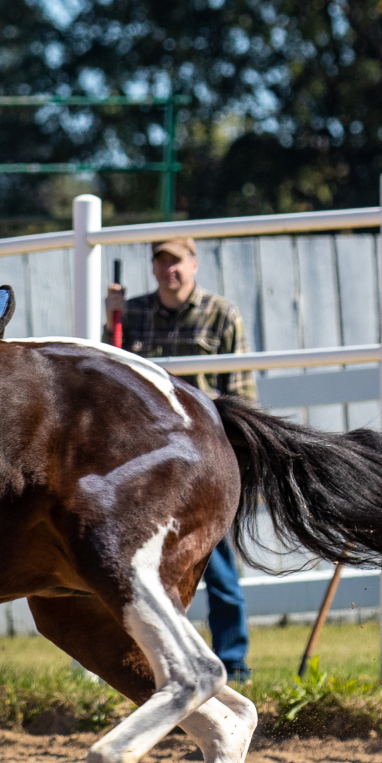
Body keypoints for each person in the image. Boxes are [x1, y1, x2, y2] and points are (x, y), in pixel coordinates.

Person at [105, 237, 256, 683]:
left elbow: (241, 392)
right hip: (145, 462)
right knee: (145, 571)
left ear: (194, 264)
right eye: (161, 261)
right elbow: (107, 375)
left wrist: (233, 460)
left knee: (219, 568)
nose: (168, 270)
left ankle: (233, 662)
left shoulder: (221, 314)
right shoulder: (132, 313)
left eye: (176, 262)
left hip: (203, 460)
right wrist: (111, 321)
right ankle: (159, 663)